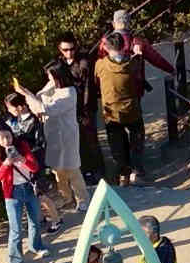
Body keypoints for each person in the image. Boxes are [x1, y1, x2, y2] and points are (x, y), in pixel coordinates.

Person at [15, 65, 87, 218]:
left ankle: (82, 199)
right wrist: (27, 92)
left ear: (58, 76)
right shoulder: (52, 86)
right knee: (58, 170)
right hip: (52, 135)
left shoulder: (69, 92)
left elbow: (46, 108)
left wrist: (26, 94)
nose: (48, 79)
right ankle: (66, 197)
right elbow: (39, 98)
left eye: (50, 75)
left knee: (72, 169)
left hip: (67, 136)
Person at [0, 126, 49, 263]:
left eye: (8, 136)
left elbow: (34, 167)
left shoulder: (22, 146)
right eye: (1, 138)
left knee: (35, 220)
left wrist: (22, 159)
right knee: (16, 229)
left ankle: (36, 246)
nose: (6, 141)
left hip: (28, 187)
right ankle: (14, 262)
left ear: (12, 134)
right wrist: (6, 163)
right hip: (12, 193)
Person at [0, 91, 60, 231]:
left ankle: (56, 219)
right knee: (33, 194)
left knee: (40, 193)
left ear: (20, 107)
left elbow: (37, 142)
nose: (9, 111)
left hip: (34, 161)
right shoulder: (17, 120)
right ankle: (41, 218)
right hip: (25, 162)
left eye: (10, 108)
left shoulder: (32, 121)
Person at [53, 32, 107, 190]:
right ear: (60, 49)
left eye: (71, 49)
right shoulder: (59, 64)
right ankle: (86, 172)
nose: (69, 52)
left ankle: (99, 172)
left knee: (91, 140)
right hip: (69, 110)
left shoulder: (83, 61)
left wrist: (85, 110)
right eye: (65, 50)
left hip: (85, 107)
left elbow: (86, 80)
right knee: (77, 143)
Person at [96, 31, 148, 185]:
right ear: (124, 47)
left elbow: (95, 81)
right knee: (137, 141)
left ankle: (123, 174)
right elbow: (138, 69)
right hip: (132, 110)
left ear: (107, 48)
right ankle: (137, 171)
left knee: (117, 146)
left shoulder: (100, 65)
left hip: (111, 113)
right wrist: (137, 53)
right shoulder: (132, 63)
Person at [92, 9, 176, 96]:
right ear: (129, 23)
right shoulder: (137, 42)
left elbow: (99, 68)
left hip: (110, 89)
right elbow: (155, 58)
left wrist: (99, 87)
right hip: (133, 89)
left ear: (114, 23)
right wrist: (171, 69)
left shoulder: (105, 44)